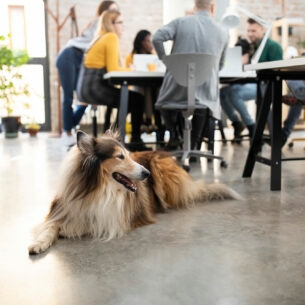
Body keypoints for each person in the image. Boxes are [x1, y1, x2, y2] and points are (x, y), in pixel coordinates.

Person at [152, 0, 228, 151]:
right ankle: (194, 147)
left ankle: (174, 135)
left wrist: (165, 59)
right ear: (213, 8)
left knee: (162, 101)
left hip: (177, 86)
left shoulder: (181, 22)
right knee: (201, 104)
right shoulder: (223, 31)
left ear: (195, 7)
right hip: (206, 89)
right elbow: (220, 65)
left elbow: (156, 38)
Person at [79, 9, 149, 151]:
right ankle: (134, 141)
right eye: (120, 22)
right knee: (137, 100)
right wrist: (133, 70)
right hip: (94, 86)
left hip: (86, 86)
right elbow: (113, 69)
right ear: (111, 24)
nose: (123, 26)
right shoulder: (111, 37)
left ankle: (115, 140)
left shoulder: (100, 37)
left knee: (128, 100)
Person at [56, 1, 118, 143]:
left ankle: (71, 126)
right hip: (69, 55)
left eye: (117, 10)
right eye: (112, 10)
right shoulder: (99, 23)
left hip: (80, 59)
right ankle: (67, 132)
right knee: (69, 95)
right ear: (104, 11)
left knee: (84, 97)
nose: (115, 13)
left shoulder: (108, 31)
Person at [220, 18, 283, 142]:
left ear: (262, 30)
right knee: (222, 93)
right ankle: (237, 123)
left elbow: (277, 71)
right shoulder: (250, 46)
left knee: (233, 93)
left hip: (265, 85)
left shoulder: (273, 46)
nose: (250, 34)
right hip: (251, 82)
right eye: (248, 31)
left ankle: (251, 126)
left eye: (253, 31)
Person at [125, 29, 165, 142]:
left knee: (157, 95)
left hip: (152, 88)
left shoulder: (154, 58)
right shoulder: (131, 57)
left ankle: (159, 133)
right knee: (138, 95)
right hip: (136, 88)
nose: (151, 44)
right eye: (148, 41)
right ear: (141, 42)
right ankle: (136, 135)